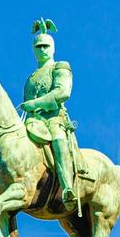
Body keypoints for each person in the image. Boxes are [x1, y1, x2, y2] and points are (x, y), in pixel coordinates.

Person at [19, 18, 79, 208]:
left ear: (52, 48)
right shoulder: (31, 78)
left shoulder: (60, 66)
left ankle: (68, 187)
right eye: (39, 47)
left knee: (58, 141)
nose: (42, 50)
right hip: (32, 122)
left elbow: (62, 92)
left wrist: (34, 103)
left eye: (46, 46)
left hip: (54, 119)